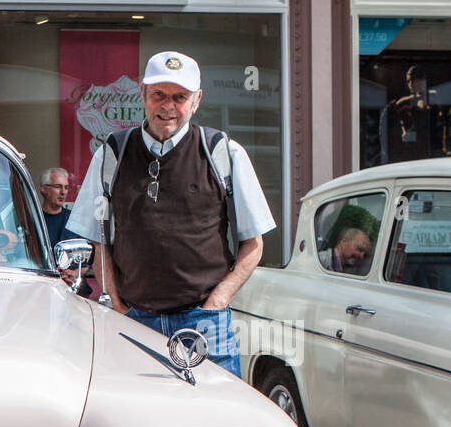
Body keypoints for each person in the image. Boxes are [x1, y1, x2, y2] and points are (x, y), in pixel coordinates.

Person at [66, 51, 275, 376]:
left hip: (204, 323)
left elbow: (254, 244)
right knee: (137, 417)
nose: (168, 106)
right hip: (135, 320)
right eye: (159, 95)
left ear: (197, 100)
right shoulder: (112, 153)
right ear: (142, 94)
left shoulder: (223, 152)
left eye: (180, 97)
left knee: (215, 418)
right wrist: (118, 305)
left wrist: (218, 300)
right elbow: (98, 240)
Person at [39, 166, 93, 296]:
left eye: (66, 187)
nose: (63, 192)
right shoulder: (33, 220)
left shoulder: (75, 221)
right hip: (43, 285)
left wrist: (75, 273)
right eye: (58, 186)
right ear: (43, 189)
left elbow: (88, 261)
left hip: (75, 288)